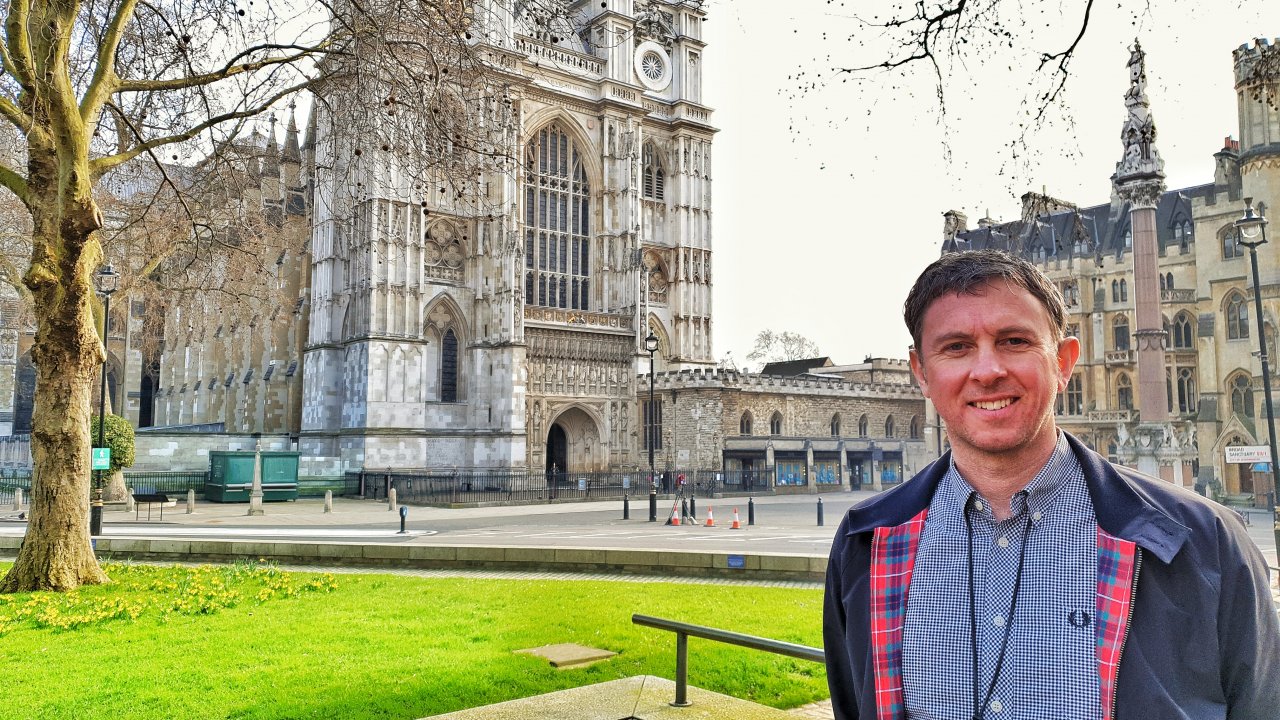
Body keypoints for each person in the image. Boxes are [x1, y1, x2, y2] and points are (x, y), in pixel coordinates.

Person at [824, 249, 1280, 719]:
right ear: (921, 372)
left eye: (1015, 341)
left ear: (1064, 361)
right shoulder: (866, 545)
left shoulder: (1207, 544)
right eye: (956, 347)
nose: (987, 371)